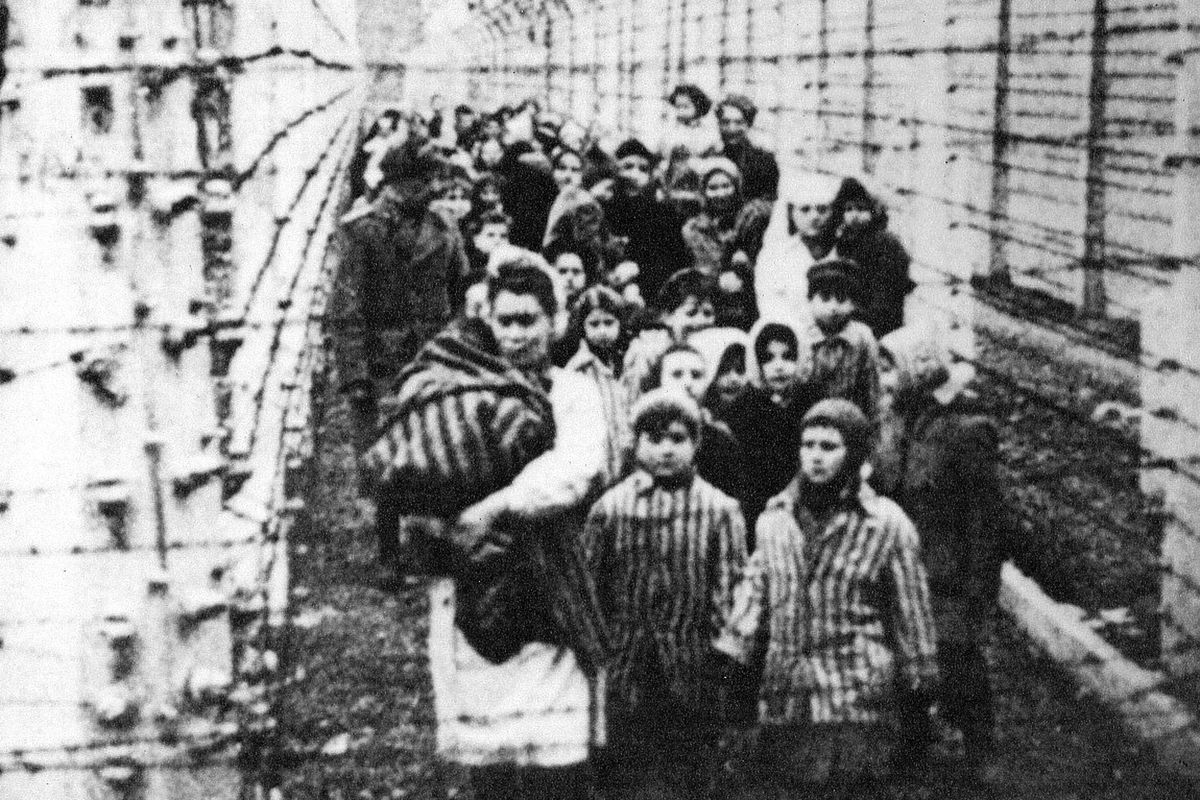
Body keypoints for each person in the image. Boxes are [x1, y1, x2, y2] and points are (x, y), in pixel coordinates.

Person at [415, 261, 611, 800]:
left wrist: (495, 506)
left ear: (555, 321)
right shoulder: (464, 392)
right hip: (478, 575)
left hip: (550, 571)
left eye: (529, 319)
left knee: (557, 753)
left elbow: (575, 469)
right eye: (506, 321)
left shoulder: (572, 391)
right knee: (491, 750)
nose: (517, 334)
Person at [715, 399, 939, 800]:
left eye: (829, 447)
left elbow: (912, 611)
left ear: (853, 453)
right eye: (808, 444)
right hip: (789, 695)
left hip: (853, 693)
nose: (815, 457)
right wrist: (734, 657)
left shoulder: (885, 524)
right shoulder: (775, 518)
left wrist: (920, 683)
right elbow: (755, 589)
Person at [585, 388, 748, 800]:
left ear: (696, 444)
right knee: (626, 767)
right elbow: (593, 584)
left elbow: (730, 588)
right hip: (627, 661)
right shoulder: (611, 508)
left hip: (692, 663)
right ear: (635, 443)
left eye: (677, 439)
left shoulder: (719, 510)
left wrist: (723, 653)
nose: (665, 450)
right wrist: (601, 648)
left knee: (688, 767)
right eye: (653, 439)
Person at [872, 326, 1008, 783]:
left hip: (948, 573)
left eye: (892, 369)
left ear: (918, 370)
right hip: (902, 568)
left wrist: (979, 588)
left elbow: (985, 521)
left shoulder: (965, 430)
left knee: (958, 658)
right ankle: (913, 746)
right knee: (907, 656)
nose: (885, 380)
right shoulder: (892, 424)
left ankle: (980, 750)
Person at [723, 318, 809, 530]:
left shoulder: (811, 399)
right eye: (768, 359)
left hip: (804, 495)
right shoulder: (745, 405)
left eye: (788, 357)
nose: (779, 366)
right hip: (757, 500)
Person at [649, 344, 748, 507]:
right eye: (677, 374)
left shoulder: (721, 439)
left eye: (696, 375)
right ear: (659, 380)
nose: (687, 383)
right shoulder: (646, 438)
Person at [599, 137, 690, 304]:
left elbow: (674, 260)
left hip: (650, 294)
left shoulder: (664, 213)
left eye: (643, 169)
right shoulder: (603, 210)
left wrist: (639, 270)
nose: (635, 174)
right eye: (628, 167)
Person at [562, 286, 635, 487]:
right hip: (596, 456)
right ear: (582, 327)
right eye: (594, 324)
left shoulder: (626, 362)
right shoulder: (580, 368)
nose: (602, 331)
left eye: (609, 323)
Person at [799, 258, 882, 423]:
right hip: (808, 417)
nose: (833, 307)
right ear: (810, 300)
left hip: (850, 418)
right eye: (825, 298)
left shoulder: (861, 337)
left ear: (853, 303)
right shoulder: (802, 335)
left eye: (841, 299)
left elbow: (872, 386)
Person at [831, 177, 915, 338]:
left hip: (881, 320)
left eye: (861, 209)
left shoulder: (885, 244)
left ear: (874, 211)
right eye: (848, 209)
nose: (854, 215)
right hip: (855, 316)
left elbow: (886, 295)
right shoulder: (846, 242)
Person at [755, 173, 841, 325]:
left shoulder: (841, 251)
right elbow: (770, 306)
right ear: (791, 213)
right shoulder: (774, 255)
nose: (814, 217)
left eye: (822, 210)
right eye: (805, 210)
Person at [715, 94, 779, 202]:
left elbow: (769, 201)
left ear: (749, 124)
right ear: (719, 124)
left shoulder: (764, 161)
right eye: (725, 122)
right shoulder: (712, 157)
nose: (732, 129)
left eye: (739, 122)